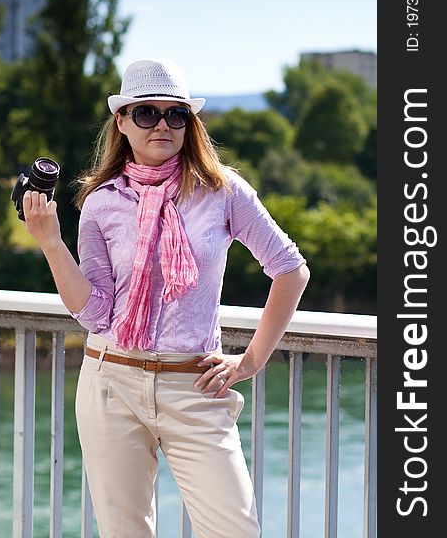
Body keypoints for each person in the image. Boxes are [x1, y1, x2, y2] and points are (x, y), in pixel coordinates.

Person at [23, 58, 310, 538]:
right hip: (110, 381)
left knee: (235, 530)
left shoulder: (222, 191)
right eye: (146, 113)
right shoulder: (101, 200)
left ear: (189, 123)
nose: (162, 124)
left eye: (175, 114)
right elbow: (95, 312)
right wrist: (51, 242)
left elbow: (290, 269)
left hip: (195, 387)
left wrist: (251, 361)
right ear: (122, 121)